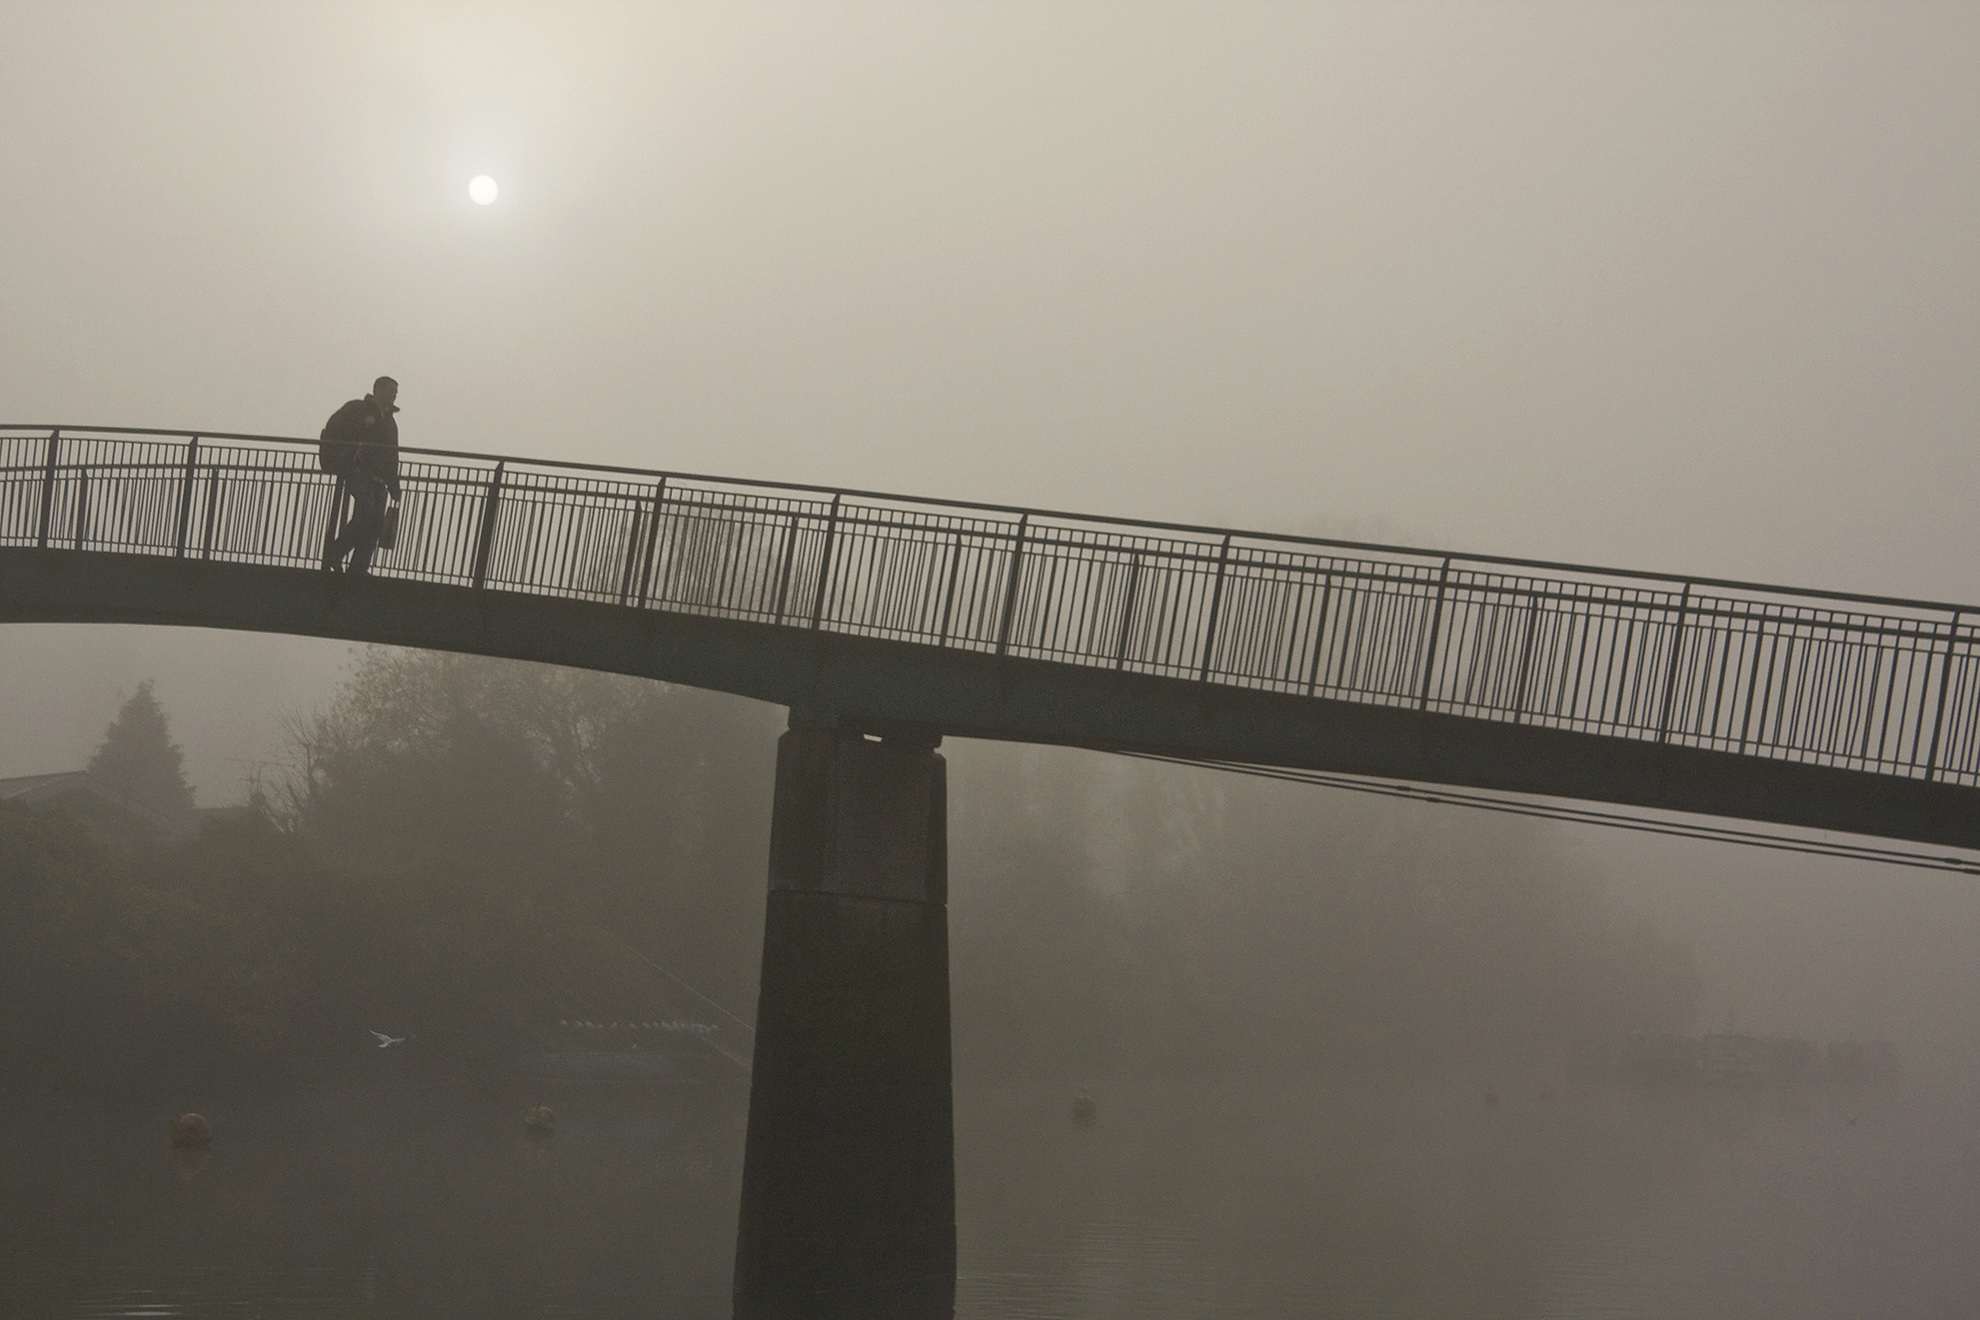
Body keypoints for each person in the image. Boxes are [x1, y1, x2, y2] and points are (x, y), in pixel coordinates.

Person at [321, 376, 402, 575]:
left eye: (395, 392)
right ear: (377, 390)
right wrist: (337, 462)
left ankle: (358, 567)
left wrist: (394, 484)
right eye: (390, 391)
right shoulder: (357, 409)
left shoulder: (390, 422)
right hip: (356, 471)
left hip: (378, 477)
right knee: (367, 512)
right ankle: (336, 553)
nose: (393, 396)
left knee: (375, 521)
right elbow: (334, 430)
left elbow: (392, 454)